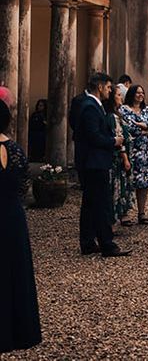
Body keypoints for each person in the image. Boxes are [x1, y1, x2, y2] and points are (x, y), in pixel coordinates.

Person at [0, 100, 42, 353]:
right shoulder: (16, 149)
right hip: (12, 216)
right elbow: (23, 185)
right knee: (13, 273)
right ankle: (14, 332)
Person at [75, 72, 130, 257]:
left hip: (93, 161)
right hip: (94, 163)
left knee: (90, 204)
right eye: (108, 88)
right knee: (101, 204)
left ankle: (88, 242)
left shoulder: (91, 105)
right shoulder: (90, 107)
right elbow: (93, 136)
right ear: (99, 87)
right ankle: (107, 244)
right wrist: (113, 141)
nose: (109, 91)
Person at [120, 85, 148, 224]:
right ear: (131, 94)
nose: (140, 95)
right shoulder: (123, 110)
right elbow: (125, 128)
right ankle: (124, 214)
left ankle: (142, 213)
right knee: (128, 182)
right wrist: (143, 129)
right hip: (130, 151)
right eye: (137, 93)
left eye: (142, 92)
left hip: (145, 153)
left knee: (143, 184)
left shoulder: (147, 110)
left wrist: (143, 127)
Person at [104, 86, 134, 226]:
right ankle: (113, 220)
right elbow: (118, 138)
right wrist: (125, 159)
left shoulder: (117, 114)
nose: (120, 97)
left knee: (119, 187)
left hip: (119, 158)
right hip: (117, 159)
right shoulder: (112, 116)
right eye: (118, 95)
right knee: (115, 188)